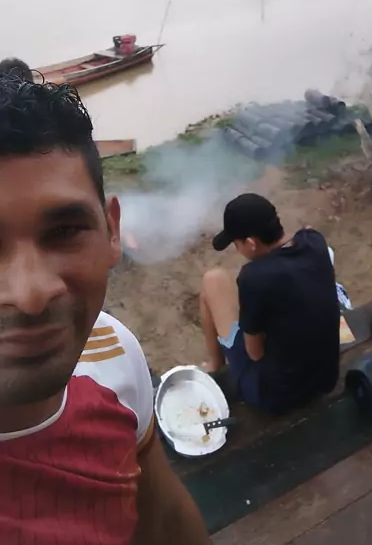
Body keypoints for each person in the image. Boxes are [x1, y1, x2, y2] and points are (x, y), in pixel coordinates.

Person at [0, 76, 210, 545]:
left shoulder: (112, 349)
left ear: (112, 231)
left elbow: (163, 514)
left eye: (64, 232)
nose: (31, 295)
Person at [200, 194, 340, 415]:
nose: (237, 249)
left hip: (276, 396)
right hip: (325, 378)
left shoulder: (254, 277)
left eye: (236, 243)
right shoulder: (315, 241)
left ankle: (215, 365)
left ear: (251, 243)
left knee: (213, 280)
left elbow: (255, 353)